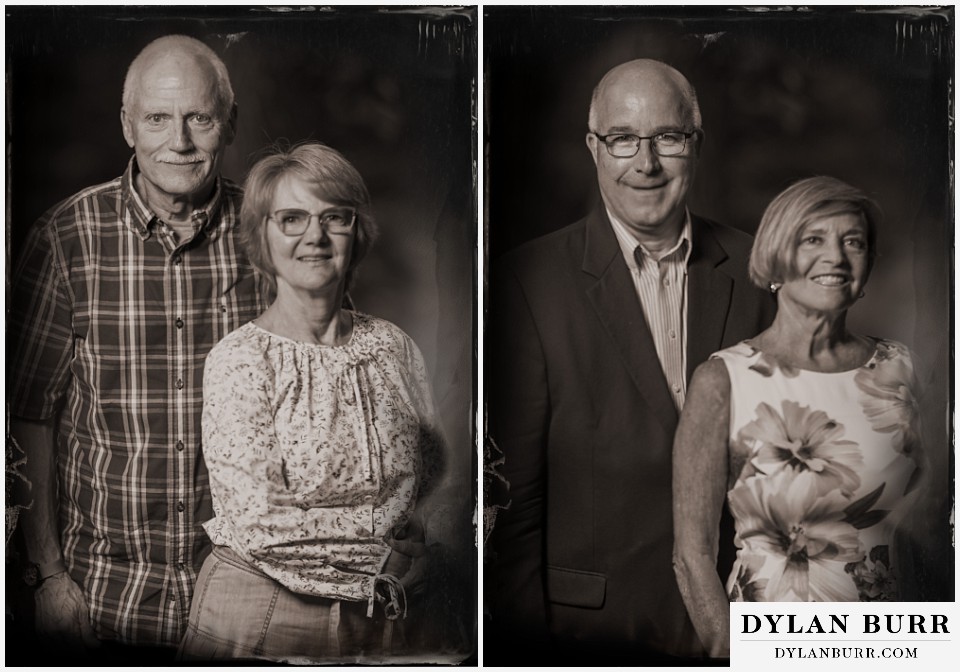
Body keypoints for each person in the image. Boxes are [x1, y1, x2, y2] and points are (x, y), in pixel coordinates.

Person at [486, 58, 775, 663]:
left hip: (741, 624)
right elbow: (512, 510)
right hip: (589, 634)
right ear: (594, 148)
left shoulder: (758, 274)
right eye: (623, 139)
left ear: (696, 145)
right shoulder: (524, 282)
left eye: (667, 138)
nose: (645, 164)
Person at [8, 35, 261, 661]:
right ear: (128, 125)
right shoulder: (66, 239)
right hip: (100, 601)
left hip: (244, 605)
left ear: (229, 124)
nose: (178, 141)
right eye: (157, 118)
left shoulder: (273, 231)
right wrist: (46, 576)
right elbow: (26, 417)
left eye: (198, 118)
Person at [177, 142, 446, 662]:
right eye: (292, 219)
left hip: (383, 620)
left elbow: (433, 480)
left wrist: (426, 536)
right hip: (262, 616)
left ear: (356, 231)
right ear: (262, 236)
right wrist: (388, 551)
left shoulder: (393, 346)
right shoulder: (240, 359)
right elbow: (261, 523)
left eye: (334, 218)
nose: (314, 237)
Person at [672, 176, 927, 657]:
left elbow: (934, 519)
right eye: (814, 239)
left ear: (867, 265)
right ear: (774, 256)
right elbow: (692, 556)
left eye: (853, 241)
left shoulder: (903, 370)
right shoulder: (722, 380)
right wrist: (731, 652)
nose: (836, 256)